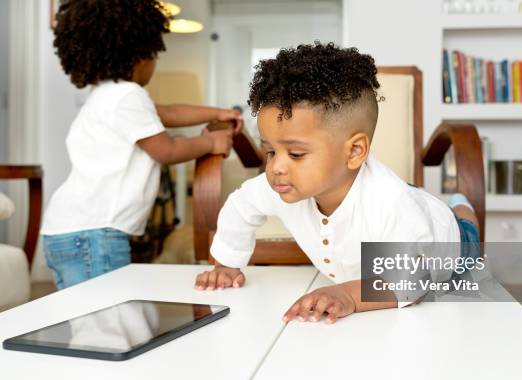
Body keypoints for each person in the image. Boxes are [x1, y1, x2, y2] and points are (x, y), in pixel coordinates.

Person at [194, 42, 480, 323]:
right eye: (270, 151)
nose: (276, 167)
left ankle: (461, 208)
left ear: (354, 151)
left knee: (466, 236)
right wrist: (228, 264)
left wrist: (349, 295)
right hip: (410, 211)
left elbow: (414, 279)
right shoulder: (283, 184)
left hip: (448, 241)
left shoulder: (391, 203)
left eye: (295, 153)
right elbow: (241, 205)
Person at [42, 0, 242, 289]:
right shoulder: (128, 96)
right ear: (138, 56)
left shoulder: (107, 97)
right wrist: (210, 142)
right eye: (154, 55)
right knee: (107, 317)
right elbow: (166, 150)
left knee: (90, 317)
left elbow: (170, 113)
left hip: (70, 230)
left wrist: (217, 113)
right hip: (95, 234)